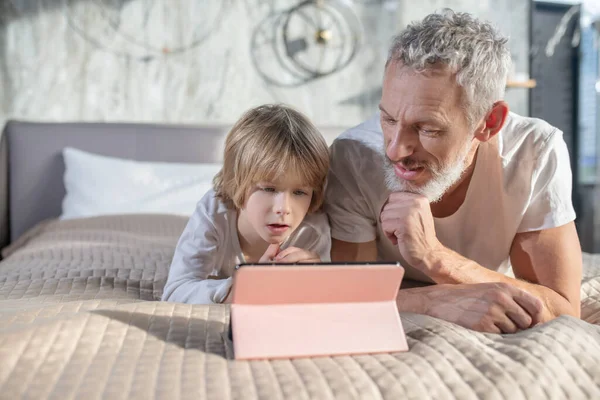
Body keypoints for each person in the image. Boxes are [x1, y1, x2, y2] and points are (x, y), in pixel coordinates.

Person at [325, 9, 582, 333]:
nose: (395, 150)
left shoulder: (534, 151)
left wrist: (434, 257)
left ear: (489, 123)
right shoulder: (355, 156)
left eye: (427, 128)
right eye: (389, 119)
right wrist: (432, 302)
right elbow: (347, 293)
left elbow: (563, 309)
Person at [162, 104, 331, 304]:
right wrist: (242, 287)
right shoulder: (214, 212)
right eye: (269, 189)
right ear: (236, 183)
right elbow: (175, 291)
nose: (283, 208)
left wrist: (317, 284)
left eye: (300, 192)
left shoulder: (312, 231)